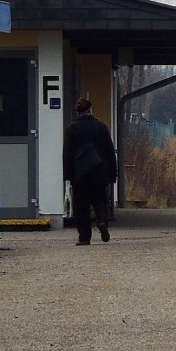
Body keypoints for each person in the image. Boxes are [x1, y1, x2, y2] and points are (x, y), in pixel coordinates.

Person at [63, 96, 117, 245]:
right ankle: (102, 222)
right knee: (100, 200)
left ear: (78, 113)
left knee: (81, 206)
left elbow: (67, 154)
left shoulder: (72, 129)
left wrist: (67, 176)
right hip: (99, 170)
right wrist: (113, 173)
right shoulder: (101, 127)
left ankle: (84, 237)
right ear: (90, 110)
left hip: (80, 174)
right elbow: (109, 151)